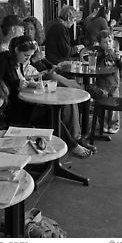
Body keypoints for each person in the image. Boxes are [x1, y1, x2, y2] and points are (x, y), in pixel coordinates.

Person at [22, 16, 96, 156]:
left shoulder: (36, 43)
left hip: (42, 75)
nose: (28, 31)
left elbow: (43, 60)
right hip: (37, 80)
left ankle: (77, 138)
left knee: (69, 97)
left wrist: (52, 66)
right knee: (55, 78)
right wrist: (35, 61)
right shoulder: (22, 46)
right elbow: (26, 67)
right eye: (25, 29)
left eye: (31, 29)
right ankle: (85, 91)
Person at [86, 30, 122, 134]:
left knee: (114, 105)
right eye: (104, 42)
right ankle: (103, 124)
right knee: (101, 104)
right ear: (99, 43)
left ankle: (114, 124)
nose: (108, 44)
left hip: (114, 83)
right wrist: (104, 54)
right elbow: (96, 63)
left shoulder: (116, 54)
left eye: (110, 41)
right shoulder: (99, 53)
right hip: (101, 83)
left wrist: (119, 59)